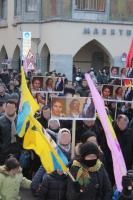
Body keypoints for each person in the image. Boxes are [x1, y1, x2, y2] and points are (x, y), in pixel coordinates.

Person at [0, 100, 21, 165]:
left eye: (12, 108)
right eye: (8, 107)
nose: (10, 109)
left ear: (15, 108)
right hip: (3, 154)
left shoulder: (20, 121)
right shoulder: (0, 121)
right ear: (5, 108)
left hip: (18, 154)